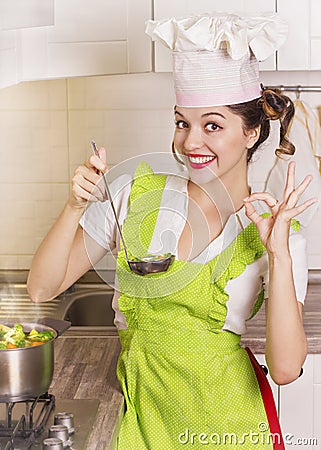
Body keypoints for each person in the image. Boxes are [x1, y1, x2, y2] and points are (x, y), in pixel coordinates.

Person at [27, 12, 318, 449]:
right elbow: (41, 289)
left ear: (251, 132)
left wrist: (278, 253)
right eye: (183, 122)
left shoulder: (276, 232)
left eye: (213, 126)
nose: (191, 142)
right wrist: (74, 206)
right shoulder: (133, 194)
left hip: (229, 425)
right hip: (142, 416)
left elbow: (285, 370)